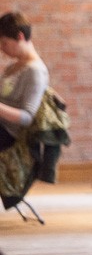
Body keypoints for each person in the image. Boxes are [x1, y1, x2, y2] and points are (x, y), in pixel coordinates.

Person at [0, 12, 49, 153]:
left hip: (9, 133)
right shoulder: (12, 67)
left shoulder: (35, 71)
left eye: (4, 43)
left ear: (20, 37)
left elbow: (27, 117)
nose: (2, 48)